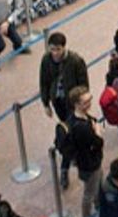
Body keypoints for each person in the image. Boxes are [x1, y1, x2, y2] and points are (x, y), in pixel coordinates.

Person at [38, 31, 90, 186]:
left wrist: (82, 104)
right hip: (58, 101)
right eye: (52, 49)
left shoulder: (76, 60)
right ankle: (72, 156)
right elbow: (44, 81)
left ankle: (64, 167)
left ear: (64, 47)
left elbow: (83, 84)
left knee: (68, 133)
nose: (54, 53)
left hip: (73, 103)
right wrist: (46, 103)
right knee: (69, 131)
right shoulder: (46, 60)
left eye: (57, 49)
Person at [65, 86, 105, 217]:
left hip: (88, 160)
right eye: (85, 102)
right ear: (76, 104)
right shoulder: (82, 127)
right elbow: (98, 142)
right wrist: (98, 131)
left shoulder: (75, 118)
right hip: (89, 164)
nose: (89, 104)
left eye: (90, 100)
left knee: (97, 184)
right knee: (89, 191)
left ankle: (99, 204)